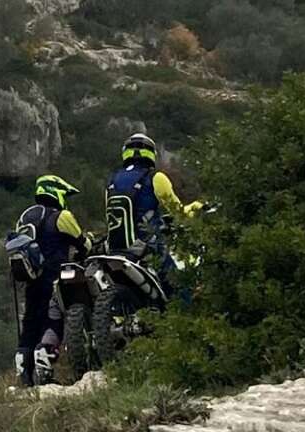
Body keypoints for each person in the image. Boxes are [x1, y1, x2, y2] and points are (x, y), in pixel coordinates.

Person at [14, 175, 91, 386]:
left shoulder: (25, 217)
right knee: (53, 319)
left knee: (30, 324)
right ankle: (45, 366)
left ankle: (24, 372)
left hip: (30, 280)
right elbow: (84, 244)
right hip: (54, 278)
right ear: (55, 192)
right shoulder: (60, 216)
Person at [105, 133, 202, 294]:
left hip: (115, 248)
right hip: (147, 247)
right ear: (151, 153)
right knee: (179, 287)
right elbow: (178, 213)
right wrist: (197, 207)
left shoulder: (111, 181)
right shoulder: (155, 178)